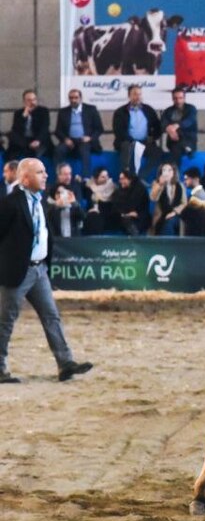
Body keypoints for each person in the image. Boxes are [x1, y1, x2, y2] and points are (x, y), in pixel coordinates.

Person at [0, 159, 93, 383]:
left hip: (39, 270)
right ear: (25, 178)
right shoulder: (10, 203)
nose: (45, 176)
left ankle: (65, 363)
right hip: (16, 272)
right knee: (5, 321)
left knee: (51, 316)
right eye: (40, 172)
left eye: (44, 171)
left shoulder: (40, 201)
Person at [112, 85, 162, 182]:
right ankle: (126, 178)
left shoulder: (148, 110)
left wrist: (152, 137)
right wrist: (133, 142)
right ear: (129, 96)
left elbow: (157, 127)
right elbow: (119, 131)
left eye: (139, 94)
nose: (138, 97)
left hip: (144, 142)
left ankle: (141, 177)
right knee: (127, 147)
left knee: (158, 152)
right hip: (127, 142)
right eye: (135, 94)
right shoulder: (120, 112)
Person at [54, 89, 104, 178]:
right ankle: (60, 177)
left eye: (76, 98)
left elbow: (99, 129)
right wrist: (65, 139)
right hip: (70, 140)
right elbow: (58, 131)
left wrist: (90, 138)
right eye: (71, 98)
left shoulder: (91, 109)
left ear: (81, 98)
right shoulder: (63, 112)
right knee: (59, 150)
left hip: (85, 140)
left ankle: (85, 179)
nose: (73, 100)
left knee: (84, 151)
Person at [160, 87, 199, 166]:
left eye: (180, 98)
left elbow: (189, 121)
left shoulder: (191, 109)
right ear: (172, 99)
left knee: (178, 145)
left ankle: (187, 148)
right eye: (175, 98)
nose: (178, 101)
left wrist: (176, 126)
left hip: (188, 139)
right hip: (173, 141)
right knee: (176, 148)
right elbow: (163, 123)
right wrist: (169, 130)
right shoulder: (168, 111)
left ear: (184, 98)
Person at [9, 90, 51, 159]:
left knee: (43, 144)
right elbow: (15, 129)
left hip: (37, 139)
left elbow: (45, 128)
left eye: (34, 99)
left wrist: (38, 140)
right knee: (11, 135)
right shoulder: (18, 113)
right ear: (24, 101)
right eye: (29, 100)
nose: (32, 102)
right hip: (24, 141)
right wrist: (24, 117)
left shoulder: (43, 111)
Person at [48, 163, 84, 238]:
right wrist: (56, 205)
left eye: (69, 174)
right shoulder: (49, 191)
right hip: (55, 237)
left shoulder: (75, 190)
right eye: (65, 174)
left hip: (73, 237)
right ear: (58, 175)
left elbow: (82, 216)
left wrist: (74, 203)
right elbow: (45, 214)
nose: (68, 177)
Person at [149, 162, 186, 236]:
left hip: (176, 214)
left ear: (173, 173)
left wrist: (174, 212)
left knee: (170, 221)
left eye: (170, 170)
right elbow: (153, 198)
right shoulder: (156, 184)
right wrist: (160, 185)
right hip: (161, 214)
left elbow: (184, 203)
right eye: (164, 170)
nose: (167, 173)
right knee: (165, 222)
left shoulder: (180, 186)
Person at [112, 169, 150, 236]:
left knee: (135, 222)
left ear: (130, 179)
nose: (120, 181)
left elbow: (144, 207)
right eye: (120, 179)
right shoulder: (118, 191)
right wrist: (126, 214)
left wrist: (137, 213)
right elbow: (116, 207)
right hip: (124, 216)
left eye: (123, 179)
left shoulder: (140, 189)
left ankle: (135, 236)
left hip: (139, 216)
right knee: (125, 220)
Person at [82, 167, 117, 235]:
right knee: (92, 216)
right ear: (96, 179)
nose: (106, 178)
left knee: (95, 218)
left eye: (107, 176)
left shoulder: (113, 188)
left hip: (108, 216)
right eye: (103, 177)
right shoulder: (90, 188)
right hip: (92, 214)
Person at [180, 167, 205, 235]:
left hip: (195, 234)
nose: (185, 181)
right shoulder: (198, 193)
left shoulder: (198, 195)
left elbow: (184, 215)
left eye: (187, 179)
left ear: (196, 179)